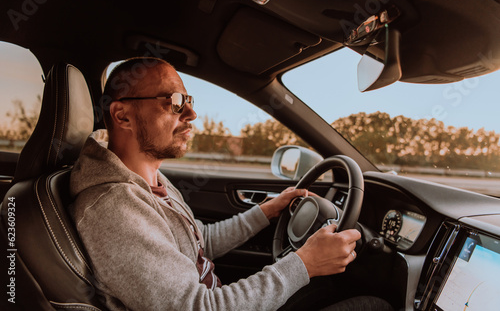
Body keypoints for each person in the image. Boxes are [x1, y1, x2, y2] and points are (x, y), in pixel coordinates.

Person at [70, 57, 393, 310]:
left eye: (189, 99)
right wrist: (304, 264)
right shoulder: (113, 207)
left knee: (336, 290)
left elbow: (199, 243)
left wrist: (265, 211)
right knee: (373, 306)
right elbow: (198, 307)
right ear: (122, 115)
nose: (192, 113)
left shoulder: (148, 179)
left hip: (221, 296)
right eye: (175, 100)